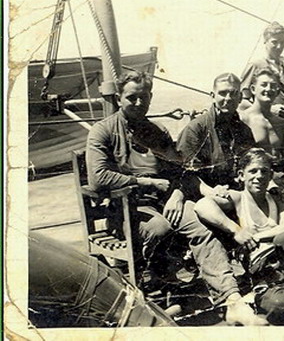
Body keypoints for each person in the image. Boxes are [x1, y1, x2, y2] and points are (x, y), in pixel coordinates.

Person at [86, 71, 267, 326]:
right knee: (161, 229)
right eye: (132, 97)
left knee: (202, 225)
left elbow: (180, 170)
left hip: (162, 202)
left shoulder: (156, 131)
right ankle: (169, 291)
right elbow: (98, 178)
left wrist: (179, 195)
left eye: (144, 97)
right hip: (127, 209)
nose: (139, 103)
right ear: (118, 98)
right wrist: (145, 182)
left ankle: (231, 301)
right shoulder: (102, 131)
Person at [195, 148, 284, 325]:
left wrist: (257, 237)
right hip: (261, 271)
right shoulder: (238, 198)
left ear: (270, 176)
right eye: (252, 171)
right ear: (241, 175)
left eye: (264, 171)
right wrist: (236, 230)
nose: (259, 176)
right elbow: (202, 205)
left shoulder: (277, 198)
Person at [177, 73, 255, 203]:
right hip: (202, 196)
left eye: (233, 93)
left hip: (235, 193)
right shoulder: (196, 128)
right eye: (222, 93)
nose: (228, 98)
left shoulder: (244, 130)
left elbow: (250, 164)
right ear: (213, 96)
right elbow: (185, 174)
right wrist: (211, 192)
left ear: (240, 97)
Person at [240, 67, 284, 201]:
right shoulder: (244, 119)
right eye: (264, 85)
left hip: (281, 176)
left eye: (273, 86)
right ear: (253, 89)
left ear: (278, 91)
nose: (269, 89)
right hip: (259, 177)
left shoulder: (281, 123)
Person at [239, 22, 284, 117]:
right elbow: (243, 102)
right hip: (265, 120)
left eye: (282, 42)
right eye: (274, 42)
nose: (279, 46)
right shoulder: (255, 65)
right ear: (265, 41)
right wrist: (269, 109)